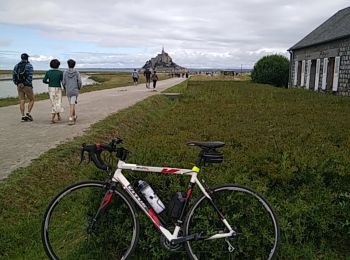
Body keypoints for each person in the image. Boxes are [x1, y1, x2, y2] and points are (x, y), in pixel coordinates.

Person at [12, 53, 34, 122]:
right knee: (32, 99)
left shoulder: (16, 66)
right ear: (27, 58)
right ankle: (28, 114)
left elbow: (13, 76)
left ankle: (23, 116)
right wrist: (24, 83)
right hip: (27, 86)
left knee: (22, 100)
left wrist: (17, 83)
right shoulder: (29, 66)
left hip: (19, 85)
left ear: (21, 58)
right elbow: (30, 77)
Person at [43, 59, 64, 124]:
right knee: (58, 102)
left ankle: (58, 116)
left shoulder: (48, 72)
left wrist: (49, 82)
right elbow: (62, 81)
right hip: (58, 88)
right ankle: (53, 118)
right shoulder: (60, 72)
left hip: (51, 88)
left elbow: (44, 80)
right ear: (58, 65)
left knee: (54, 103)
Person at [62, 59, 82, 125]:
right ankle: (71, 117)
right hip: (74, 90)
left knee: (71, 103)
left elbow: (63, 82)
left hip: (68, 90)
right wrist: (79, 88)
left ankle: (74, 116)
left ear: (68, 64)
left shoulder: (65, 72)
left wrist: (65, 88)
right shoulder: (77, 72)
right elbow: (79, 81)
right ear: (74, 65)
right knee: (72, 104)